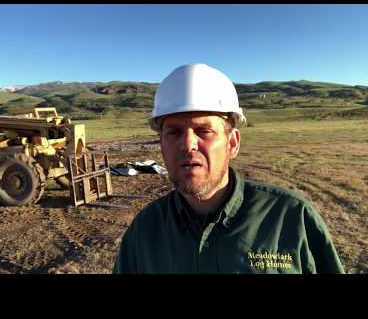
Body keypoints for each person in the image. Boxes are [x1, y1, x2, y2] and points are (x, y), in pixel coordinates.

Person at [113, 63, 345, 274]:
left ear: (232, 143)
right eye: (174, 132)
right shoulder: (145, 230)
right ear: (162, 145)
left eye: (204, 131)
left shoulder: (291, 218)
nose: (187, 144)